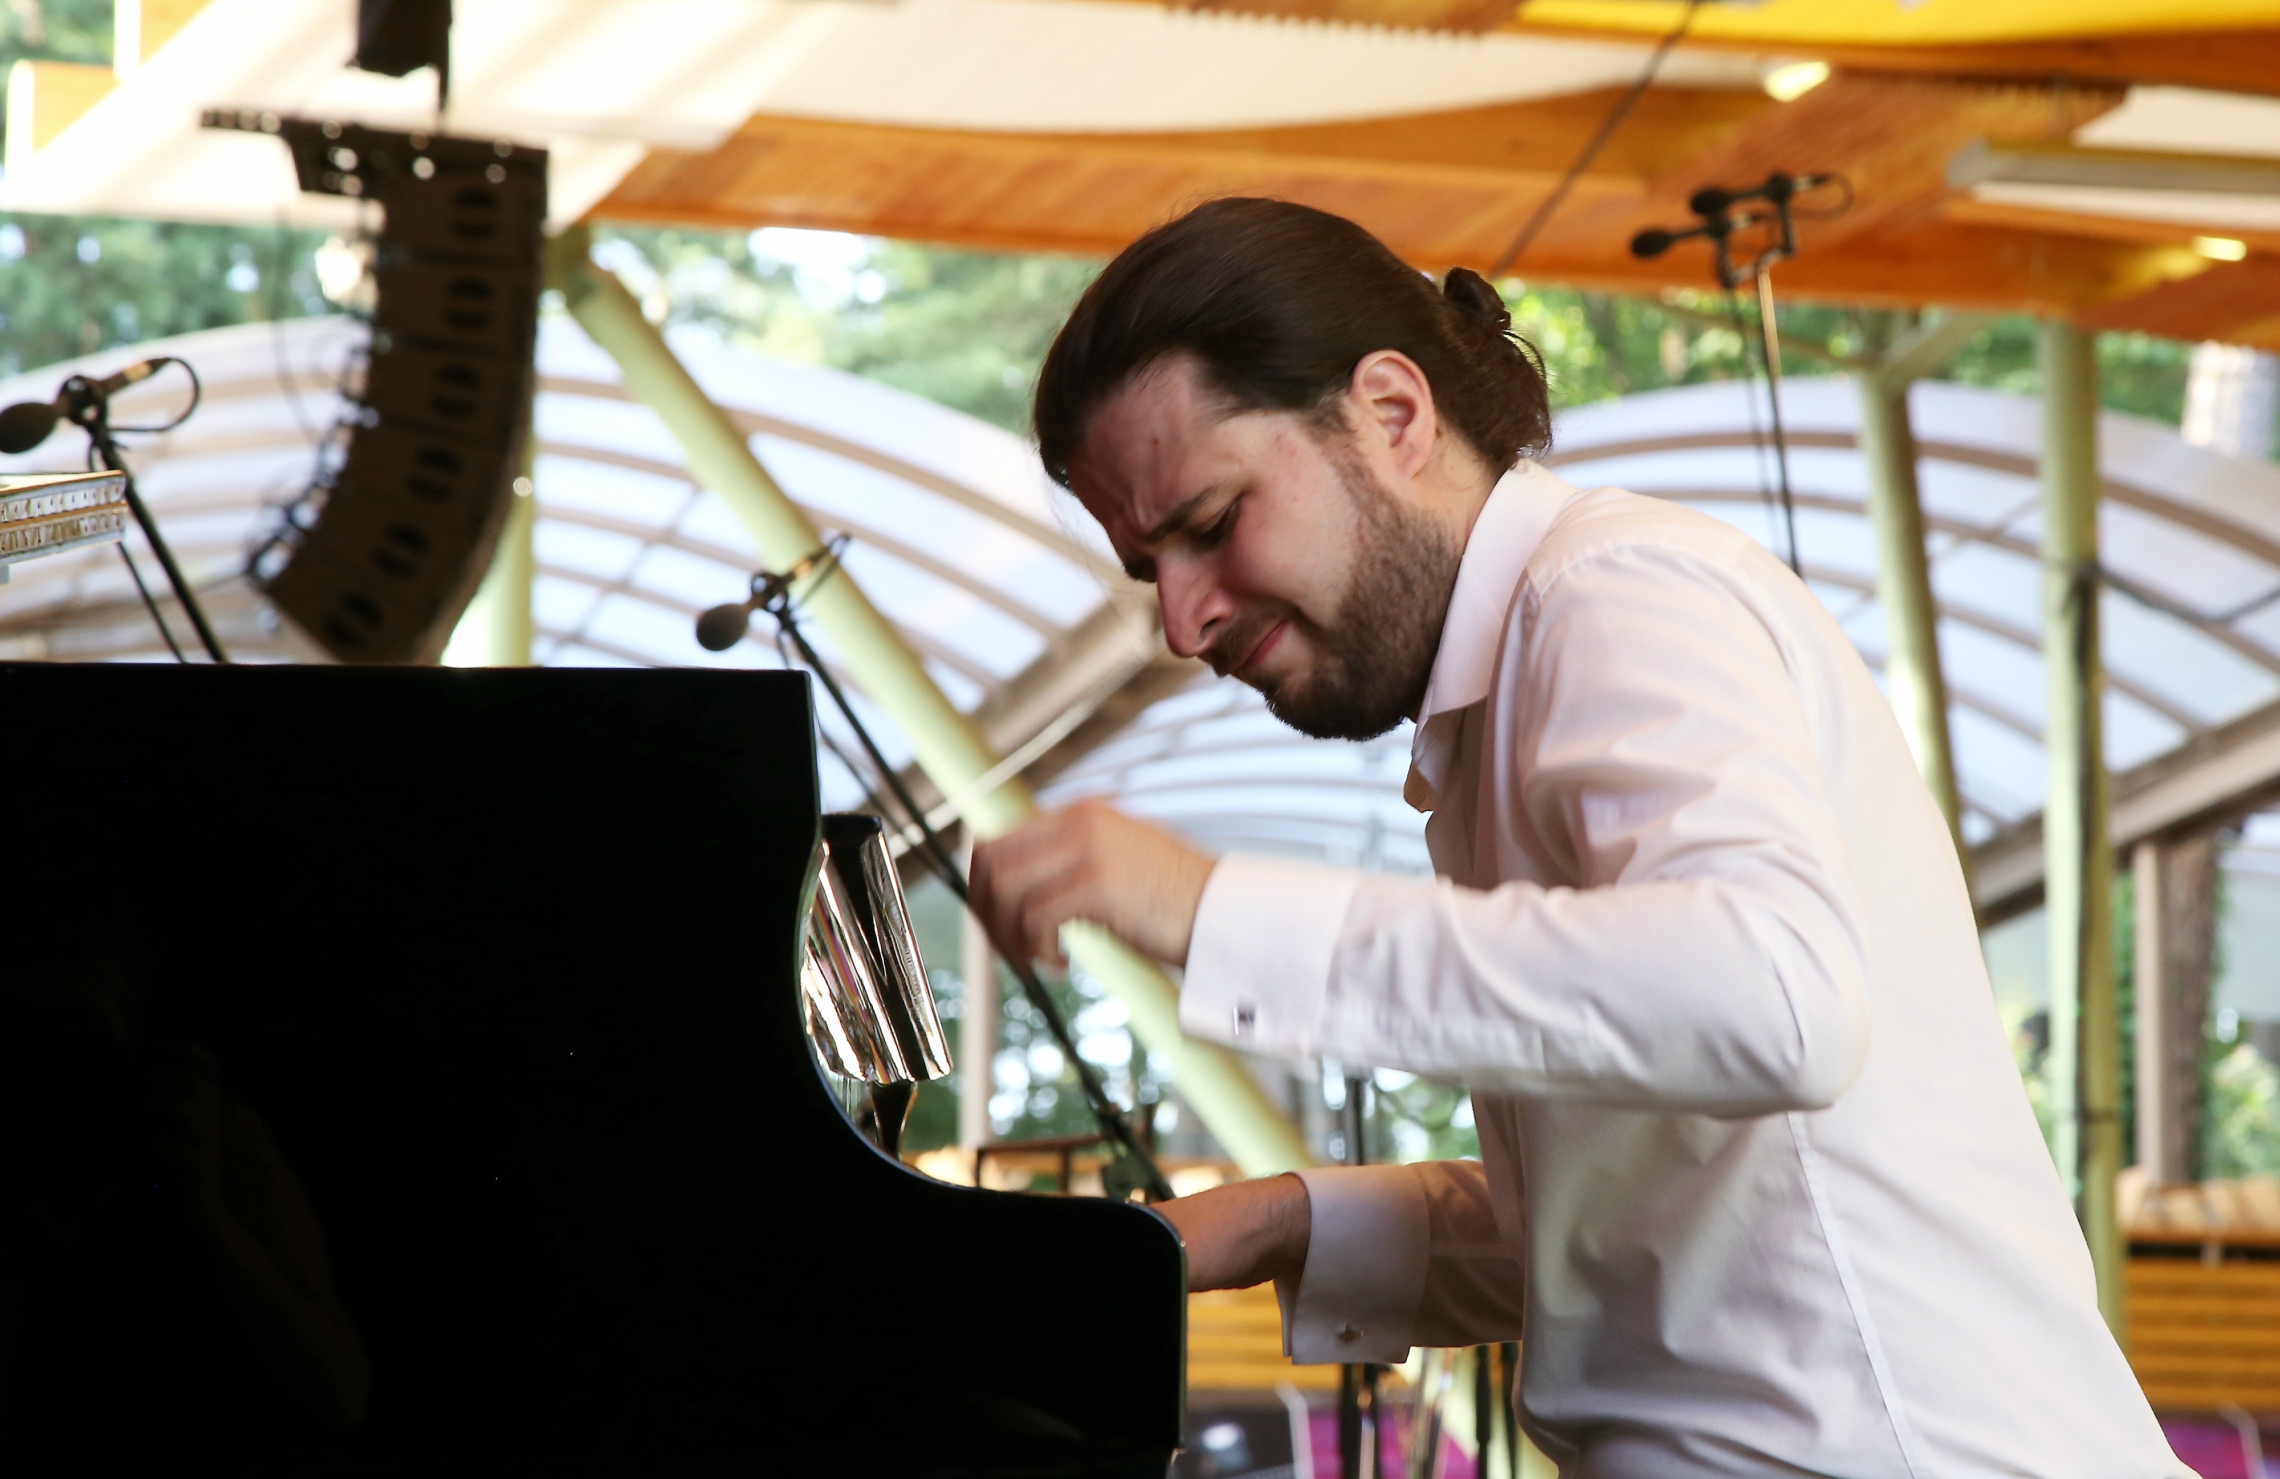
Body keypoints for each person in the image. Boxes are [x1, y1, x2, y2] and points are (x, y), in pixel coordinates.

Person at [969, 198, 2185, 1478]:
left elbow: (1777, 998)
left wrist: (1209, 909)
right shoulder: (1514, 669)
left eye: (1211, 524)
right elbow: (1667, 1233)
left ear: (1392, 412)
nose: (1182, 623)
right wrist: (1281, 1223)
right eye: (1149, 568)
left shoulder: (1609, 589)